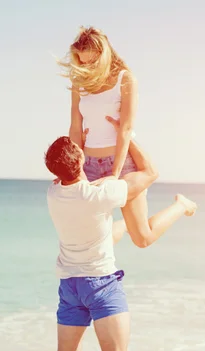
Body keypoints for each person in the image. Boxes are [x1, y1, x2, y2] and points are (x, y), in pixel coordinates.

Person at [37, 127, 195, 351]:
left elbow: (73, 175)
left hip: (70, 287)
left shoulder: (54, 195)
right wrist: (125, 134)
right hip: (101, 285)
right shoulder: (101, 195)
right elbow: (150, 173)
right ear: (80, 159)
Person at [58, 26, 197, 248]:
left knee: (143, 239)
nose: (86, 66)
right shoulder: (80, 83)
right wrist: (73, 170)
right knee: (90, 239)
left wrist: (114, 175)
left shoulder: (125, 79)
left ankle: (181, 205)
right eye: (82, 62)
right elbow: (76, 127)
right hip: (89, 166)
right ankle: (122, 225)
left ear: (103, 56)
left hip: (122, 166)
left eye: (91, 61)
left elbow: (125, 128)